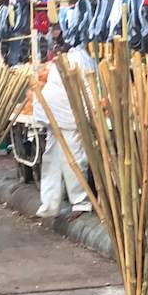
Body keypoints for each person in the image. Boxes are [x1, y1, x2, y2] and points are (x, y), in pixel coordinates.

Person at [35, 42, 96, 219]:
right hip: (55, 119)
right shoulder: (59, 65)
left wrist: (90, 114)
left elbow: (86, 89)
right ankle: (49, 204)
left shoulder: (77, 61)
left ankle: (81, 203)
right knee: (51, 161)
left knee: (74, 161)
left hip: (70, 120)